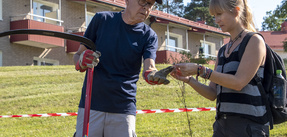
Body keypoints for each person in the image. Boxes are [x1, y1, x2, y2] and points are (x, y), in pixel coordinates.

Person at [72, 0, 175, 136]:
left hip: (123, 109)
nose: (146, 8)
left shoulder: (149, 36)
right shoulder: (101, 20)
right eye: (143, 1)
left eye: (150, 4)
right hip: (91, 106)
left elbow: (149, 67)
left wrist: (153, 75)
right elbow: (78, 56)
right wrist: (82, 60)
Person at [170, 0, 270, 136]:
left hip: (249, 126)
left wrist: (201, 70)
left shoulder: (254, 41)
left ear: (236, 11)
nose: (216, 20)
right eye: (214, 16)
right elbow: (212, 93)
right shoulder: (223, 50)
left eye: (219, 14)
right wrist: (189, 80)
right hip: (222, 126)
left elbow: (238, 82)